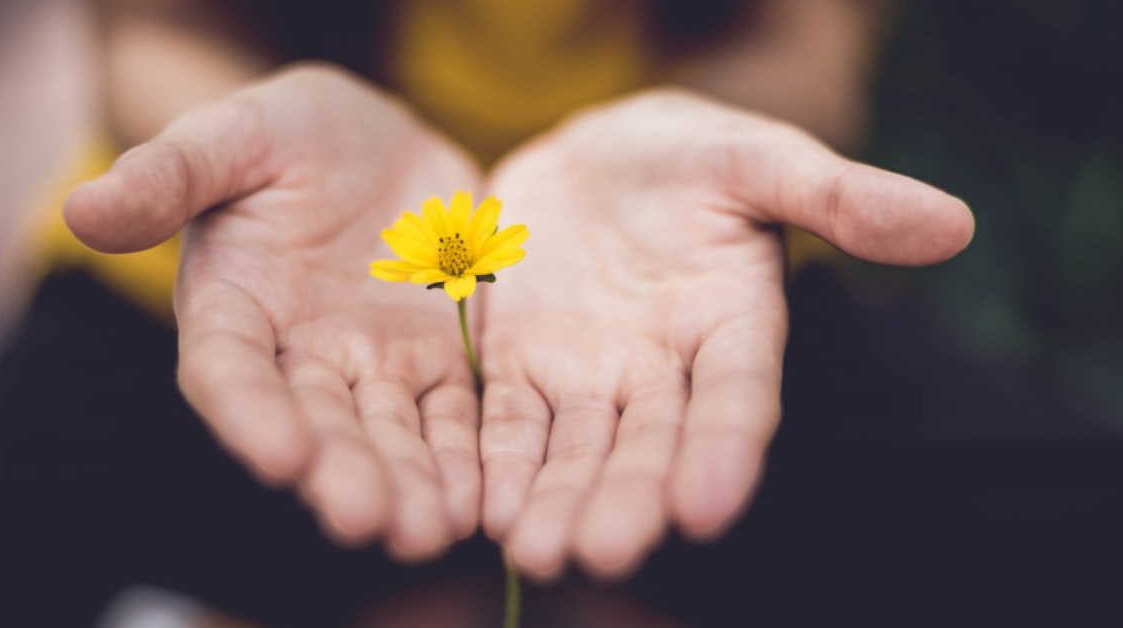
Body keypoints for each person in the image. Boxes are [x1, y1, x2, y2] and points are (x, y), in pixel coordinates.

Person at [61, 0, 973, 582]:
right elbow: (152, 28)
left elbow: (806, 42)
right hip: (266, 260)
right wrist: (226, 140)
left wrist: (711, 126)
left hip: (677, 271)